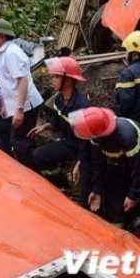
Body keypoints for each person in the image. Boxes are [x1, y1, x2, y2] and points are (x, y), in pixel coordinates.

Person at [73, 107, 140, 247]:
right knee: (114, 186)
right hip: (124, 161)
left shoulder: (126, 136)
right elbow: (98, 164)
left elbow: (139, 169)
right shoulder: (96, 138)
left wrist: (133, 195)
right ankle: (120, 225)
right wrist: (97, 189)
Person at [0, 19, 43, 169]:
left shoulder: (11, 53)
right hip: (16, 103)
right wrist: (6, 104)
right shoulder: (0, 52)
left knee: (18, 141)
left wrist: (19, 110)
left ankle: (36, 169)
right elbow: (7, 83)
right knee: (22, 139)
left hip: (26, 104)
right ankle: (34, 167)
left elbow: (23, 81)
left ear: (2, 36)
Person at [29, 57, 92, 191]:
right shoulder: (59, 98)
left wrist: (79, 163)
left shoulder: (81, 106)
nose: (52, 81)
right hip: (70, 143)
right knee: (38, 155)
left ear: (68, 80)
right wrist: (45, 126)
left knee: (86, 187)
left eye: (55, 77)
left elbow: (86, 140)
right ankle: (61, 183)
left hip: (86, 150)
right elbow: (57, 121)